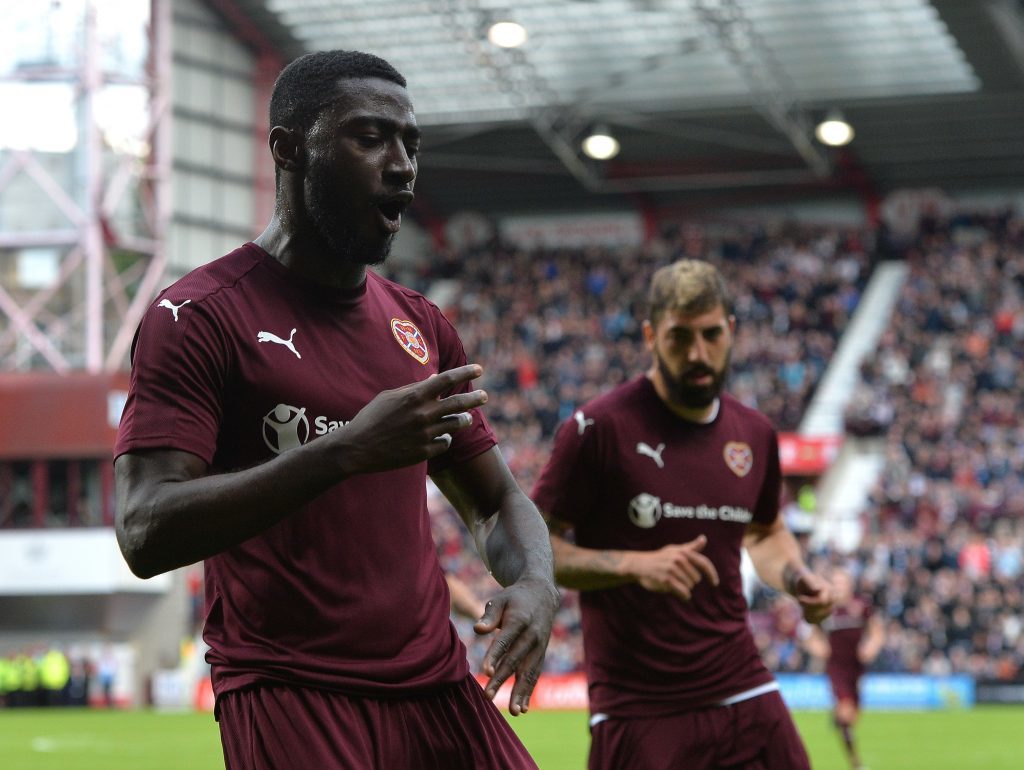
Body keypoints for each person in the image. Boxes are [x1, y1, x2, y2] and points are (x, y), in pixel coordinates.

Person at [114, 49, 558, 770]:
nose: (402, 165)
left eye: (412, 144)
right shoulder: (197, 316)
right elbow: (143, 530)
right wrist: (346, 449)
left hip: (437, 687)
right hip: (292, 694)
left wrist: (536, 584)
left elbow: (497, 500)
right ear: (289, 148)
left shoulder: (420, 326)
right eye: (370, 136)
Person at [531, 258, 834, 770]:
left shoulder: (754, 433)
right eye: (679, 337)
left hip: (743, 688)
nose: (699, 353)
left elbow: (764, 531)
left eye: (712, 335)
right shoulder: (598, 428)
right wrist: (633, 565)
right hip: (640, 708)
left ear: (731, 331)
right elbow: (530, 547)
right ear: (650, 335)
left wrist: (797, 575)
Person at [805, 568, 884, 770]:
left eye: (843, 582)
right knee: (846, 713)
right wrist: (818, 647)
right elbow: (810, 635)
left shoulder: (861, 606)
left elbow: (876, 630)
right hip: (836, 668)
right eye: (836, 582)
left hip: (856, 668)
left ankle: (839, 720)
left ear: (850, 585)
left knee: (852, 717)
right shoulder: (825, 608)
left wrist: (871, 646)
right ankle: (855, 763)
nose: (840, 587)